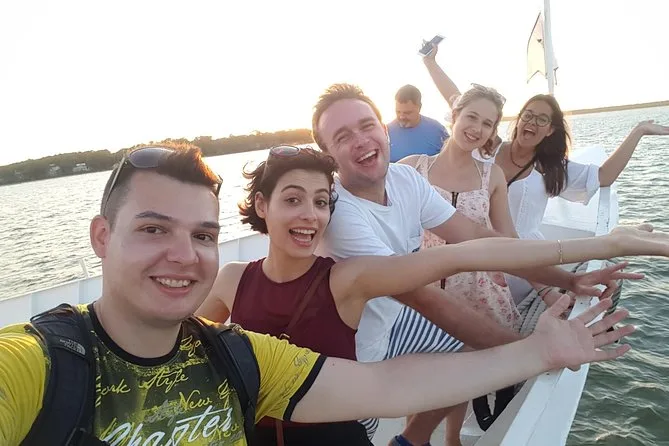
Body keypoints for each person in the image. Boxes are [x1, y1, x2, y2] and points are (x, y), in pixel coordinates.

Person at [0, 143, 660, 446]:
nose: (311, 215)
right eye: (153, 230)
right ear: (260, 208)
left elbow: (463, 256)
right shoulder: (45, 364)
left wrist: (602, 246)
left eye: (321, 201)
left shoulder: (332, 289)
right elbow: (171, 338)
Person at [310, 83, 639, 446]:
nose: (361, 140)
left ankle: (411, 440)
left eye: (367, 125)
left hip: (393, 320)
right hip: (351, 350)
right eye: (342, 136)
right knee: (357, 433)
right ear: (327, 155)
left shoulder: (404, 180)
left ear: (384, 129)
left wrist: (567, 280)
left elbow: (478, 237)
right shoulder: (339, 213)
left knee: (466, 348)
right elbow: (422, 297)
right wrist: (533, 351)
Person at [421, 40, 669, 305]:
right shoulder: (488, 148)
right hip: (476, 255)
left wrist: (637, 132)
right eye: (528, 115)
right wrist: (430, 62)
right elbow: (460, 101)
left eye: (542, 119)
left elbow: (603, 176)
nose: (532, 122)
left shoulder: (551, 169)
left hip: (526, 261)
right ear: (518, 119)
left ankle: (624, 238)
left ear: (550, 130)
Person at [398, 83, 522, 434]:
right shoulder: (411, 168)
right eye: (471, 117)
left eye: (487, 123)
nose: (477, 128)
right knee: (416, 373)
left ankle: (453, 438)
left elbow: (509, 239)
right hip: (419, 290)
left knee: (463, 374)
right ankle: (412, 437)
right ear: (454, 115)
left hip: (476, 290)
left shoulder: (491, 175)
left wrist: (550, 285)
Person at [388, 84, 449, 162]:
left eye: (407, 113)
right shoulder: (386, 132)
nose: (402, 117)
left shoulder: (437, 130)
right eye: (398, 112)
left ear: (419, 107)